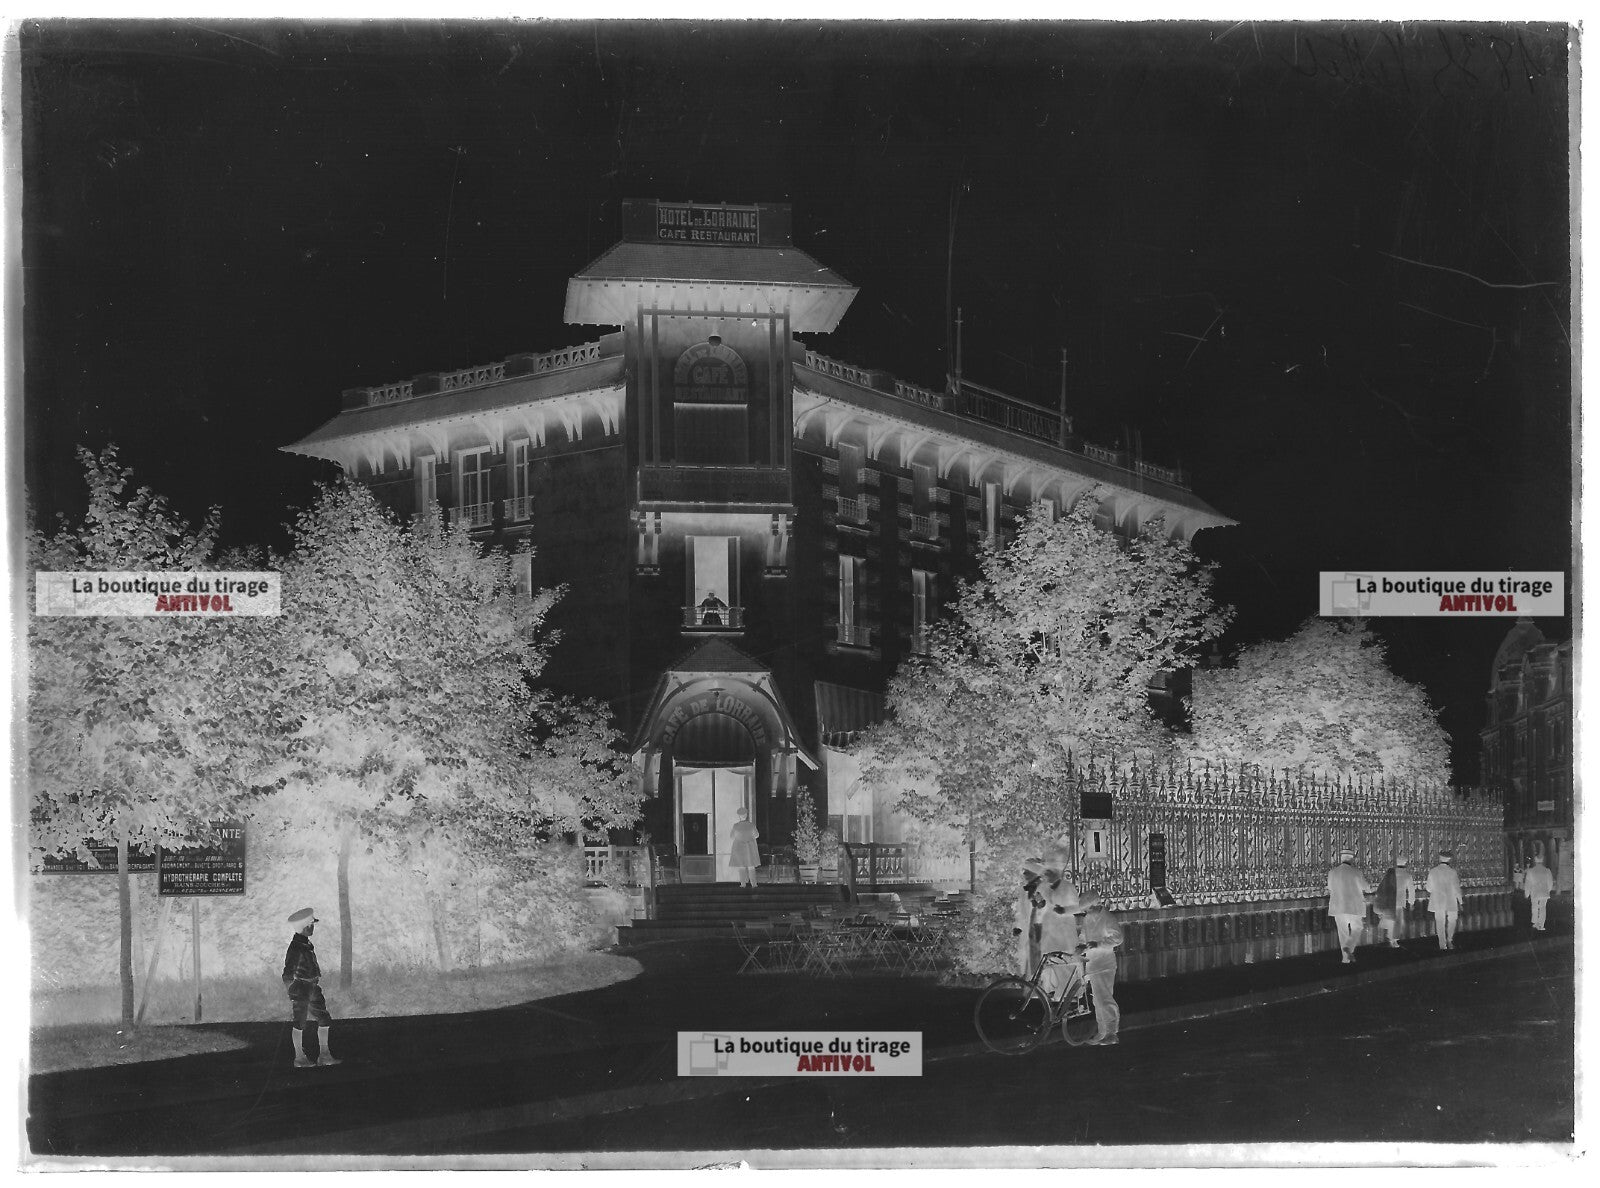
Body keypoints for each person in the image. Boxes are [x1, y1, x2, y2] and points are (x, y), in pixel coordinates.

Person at [283, 907, 340, 1068]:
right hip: (301, 987)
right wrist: (293, 990)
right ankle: (299, 1058)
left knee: (324, 1018)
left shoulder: (306, 944)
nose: (312, 927)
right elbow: (288, 974)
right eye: (310, 925)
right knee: (299, 1022)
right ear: (303, 927)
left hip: (313, 986)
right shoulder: (296, 947)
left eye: (312, 924)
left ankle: (324, 1055)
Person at [1036, 862, 1096, 998]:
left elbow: (1078, 907)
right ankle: (1053, 997)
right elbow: (1041, 906)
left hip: (1064, 932)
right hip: (1049, 932)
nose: (1046, 875)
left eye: (1049, 872)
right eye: (1045, 872)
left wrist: (1064, 910)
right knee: (1050, 962)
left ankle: (1072, 997)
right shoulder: (1043, 887)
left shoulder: (1068, 888)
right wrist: (1039, 903)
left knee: (1067, 962)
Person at [1077, 898, 1124, 1046]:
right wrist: (1081, 946)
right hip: (1093, 964)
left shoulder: (1107, 918)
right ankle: (1102, 1032)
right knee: (1097, 1001)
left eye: (1088, 909)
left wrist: (1098, 944)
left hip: (1105, 964)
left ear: (1095, 905)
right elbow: (1083, 936)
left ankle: (1111, 1032)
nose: (1086, 912)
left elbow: (1118, 938)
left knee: (1104, 999)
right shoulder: (1087, 919)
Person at [1326, 848, 1370, 964]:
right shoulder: (1356, 872)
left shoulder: (1332, 872)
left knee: (1343, 932)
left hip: (1338, 906)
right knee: (1357, 927)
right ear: (1351, 859)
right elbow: (1365, 887)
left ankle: (1345, 959)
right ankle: (1349, 948)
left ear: (1341, 859)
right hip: (1354, 906)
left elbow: (1330, 888)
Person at [1013, 858, 1047, 977]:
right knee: (1026, 956)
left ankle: (1040, 982)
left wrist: (1040, 904)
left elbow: (1046, 907)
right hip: (1027, 927)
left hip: (1040, 927)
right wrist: (1017, 926)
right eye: (1024, 872)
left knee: (1040, 955)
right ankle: (1029, 982)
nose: (1024, 875)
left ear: (1034, 873)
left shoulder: (1044, 888)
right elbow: (1019, 909)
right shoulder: (1023, 890)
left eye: (1027, 872)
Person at [1425, 849, 1464, 951]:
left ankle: (1442, 944)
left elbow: (1428, 888)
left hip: (1438, 900)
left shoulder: (1433, 871)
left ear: (1439, 859)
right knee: (1452, 920)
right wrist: (1460, 902)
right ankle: (1449, 940)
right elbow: (1457, 888)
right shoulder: (1452, 872)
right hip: (1451, 900)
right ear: (1449, 860)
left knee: (1440, 922)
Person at [1373, 857, 1415, 948]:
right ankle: (1394, 940)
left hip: (1389, 900)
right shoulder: (1407, 876)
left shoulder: (1391, 874)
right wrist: (1411, 902)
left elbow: (1383, 886)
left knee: (1390, 918)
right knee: (1397, 921)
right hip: (1400, 901)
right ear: (1405, 864)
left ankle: (1388, 936)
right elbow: (1411, 890)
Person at [729, 807, 761, 888]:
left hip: (739, 849)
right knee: (751, 866)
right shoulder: (751, 825)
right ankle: (754, 884)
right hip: (750, 848)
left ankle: (743, 884)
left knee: (741, 866)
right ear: (746, 815)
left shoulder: (736, 826)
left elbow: (732, 836)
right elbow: (757, 835)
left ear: (739, 816)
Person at [1524, 852, 1555, 932]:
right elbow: (1550, 882)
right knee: (1542, 908)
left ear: (1535, 860)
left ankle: (1535, 922)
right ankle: (1541, 924)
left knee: (1534, 907)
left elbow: (1528, 883)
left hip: (1535, 892)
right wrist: (1548, 890)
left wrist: (1527, 894)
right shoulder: (1547, 871)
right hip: (1544, 892)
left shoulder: (1531, 871)